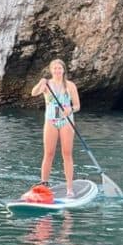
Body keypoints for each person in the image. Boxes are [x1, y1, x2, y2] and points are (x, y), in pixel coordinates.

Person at [31, 59, 81, 197]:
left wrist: (70, 109)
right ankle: (44, 184)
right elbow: (34, 93)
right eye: (55, 69)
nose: (57, 71)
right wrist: (41, 82)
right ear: (51, 70)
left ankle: (70, 189)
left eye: (59, 68)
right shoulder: (47, 85)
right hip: (50, 121)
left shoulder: (70, 85)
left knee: (67, 154)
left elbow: (77, 105)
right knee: (48, 153)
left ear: (63, 70)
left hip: (66, 121)